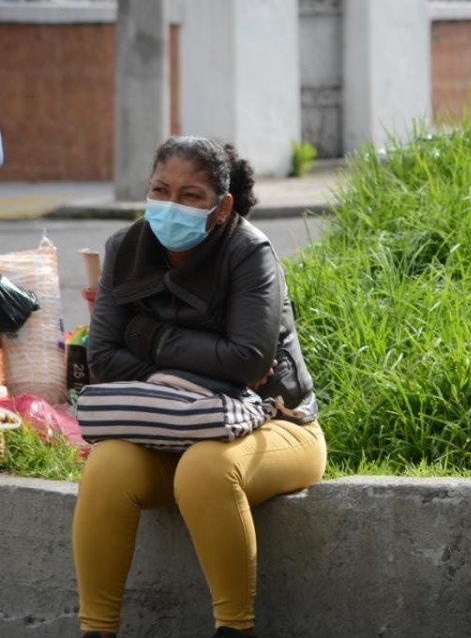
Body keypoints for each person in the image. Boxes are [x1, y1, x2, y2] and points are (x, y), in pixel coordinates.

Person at [73, 136, 326, 638]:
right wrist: (196, 370)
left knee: (206, 470)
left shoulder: (248, 252)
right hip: (164, 428)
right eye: (160, 190)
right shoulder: (125, 250)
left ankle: (235, 628)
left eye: (190, 195)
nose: (171, 205)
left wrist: (148, 337)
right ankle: (95, 631)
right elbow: (101, 358)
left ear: (220, 206)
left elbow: (249, 360)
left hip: (276, 424)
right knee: (105, 467)